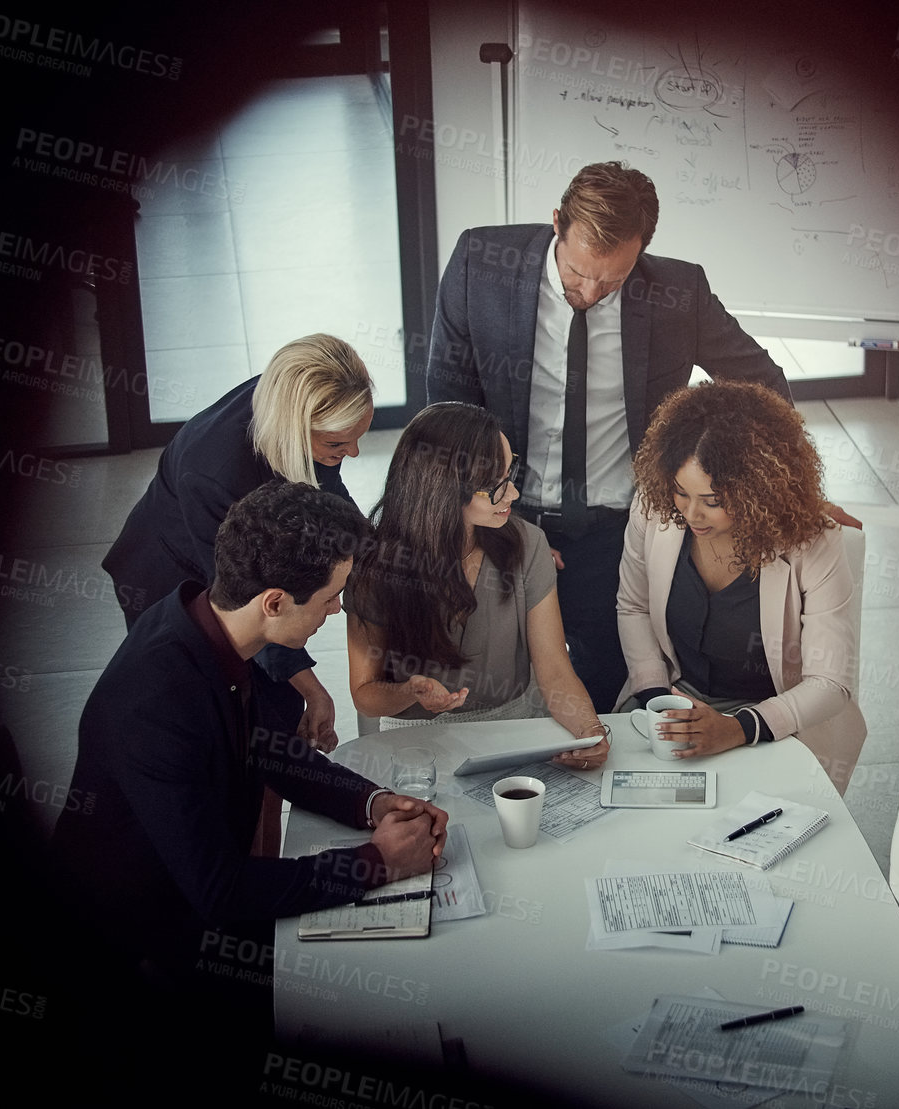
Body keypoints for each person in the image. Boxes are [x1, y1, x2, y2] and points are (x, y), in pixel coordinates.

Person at [52, 480, 448, 1068]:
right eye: (330, 597)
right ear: (274, 602)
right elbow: (220, 889)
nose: (336, 610)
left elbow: (273, 754)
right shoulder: (156, 699)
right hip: (145, 941)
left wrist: (374, 803)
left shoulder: (209, 629)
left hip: (195, 902)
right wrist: (378, 862)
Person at [426, 160, 814, 714]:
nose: (590, 291)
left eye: (612, 279)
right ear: (557, 222)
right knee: (489, 689)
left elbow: (764, 384)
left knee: (610, 686)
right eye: (578, 273)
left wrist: (793, 486)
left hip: (617, 530)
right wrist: (489, 519)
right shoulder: (480, 264)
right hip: (505, 517)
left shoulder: (678, 290)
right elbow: (446, 409)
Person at [102, 333, 375, 750]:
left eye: (358, 437)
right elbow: (250, 606)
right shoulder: (214, 473)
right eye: (338, 444)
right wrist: (316, 691)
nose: (353, 453)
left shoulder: (292, 398)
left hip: (239, 567)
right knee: (224, 725)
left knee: (277, 713)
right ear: (294, 428)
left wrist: (379, 554)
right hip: (171, 574)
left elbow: (328, 491)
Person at [617, 381, 867, 793]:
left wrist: (738, 728)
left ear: (758, 492)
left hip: (779, 721)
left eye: (712, 501)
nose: (691, 514)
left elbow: (830, 683)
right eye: (682, 493)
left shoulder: (815, 544)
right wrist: (657, 699)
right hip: (676, 697)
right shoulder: (653, 508)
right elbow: (633, 606)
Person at [343, 402, 611, 770]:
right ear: (442, 489)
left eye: (510, 474)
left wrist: (589, 730)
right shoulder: (376, 567)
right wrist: (409, 691)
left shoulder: (527, 543)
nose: (514, 495)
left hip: (513, 728)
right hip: (413, 744)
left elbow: (554, 669)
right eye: (496, 487)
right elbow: (365, 694)